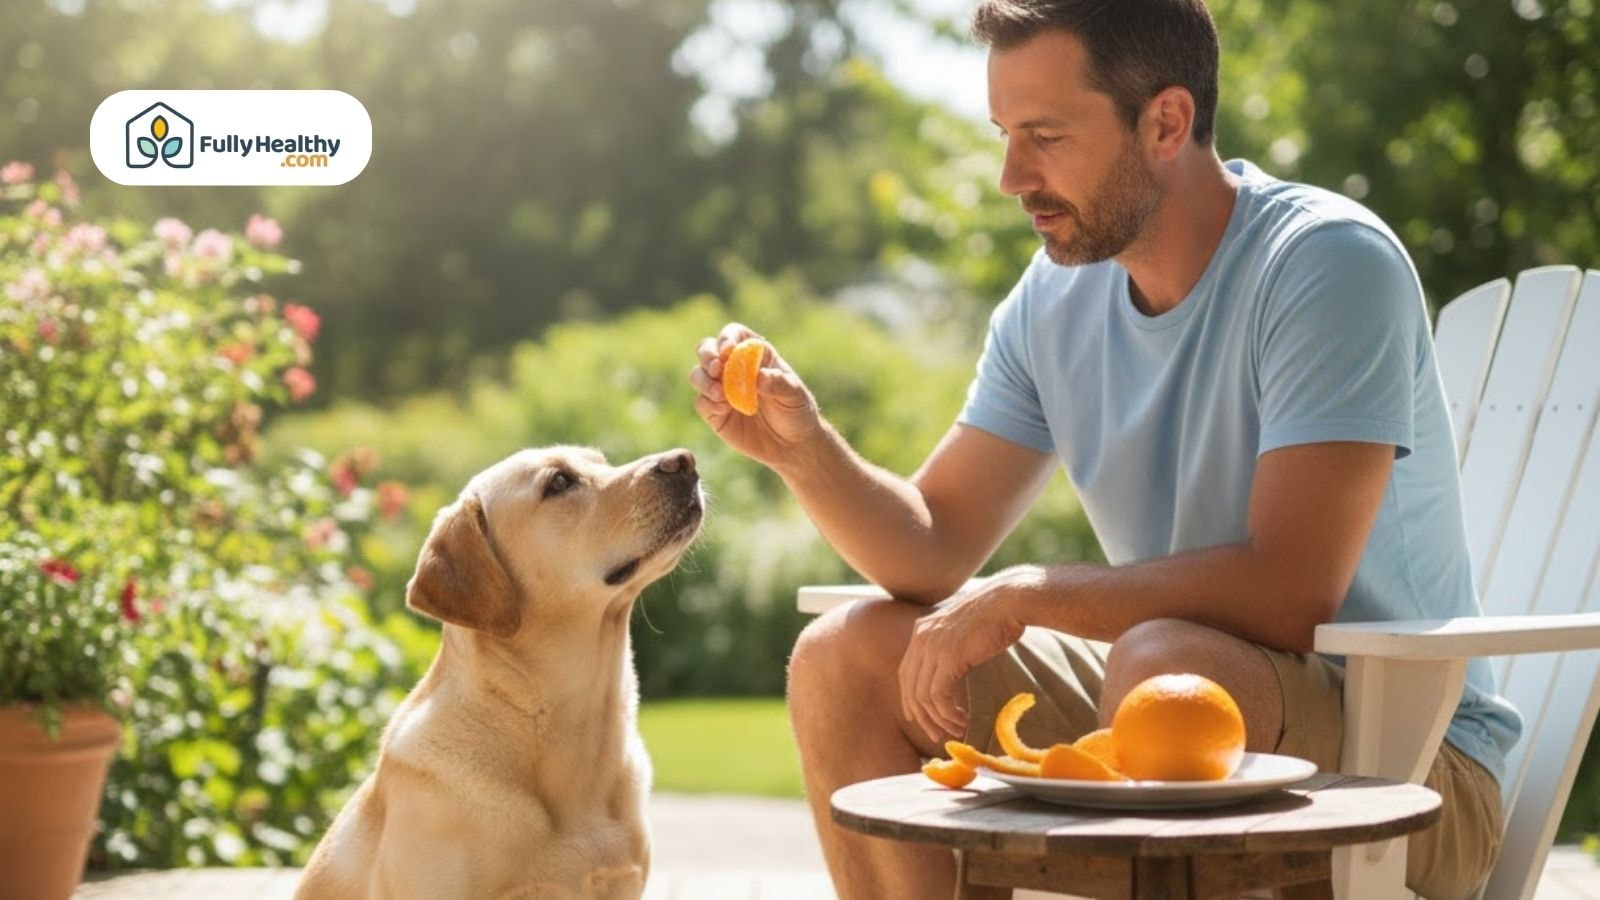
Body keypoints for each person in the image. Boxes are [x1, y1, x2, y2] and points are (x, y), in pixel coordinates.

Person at [688, 0, 1520, 897]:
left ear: (1166, 121)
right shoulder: (1054, 301)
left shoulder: (1324, 264)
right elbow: (930, 545)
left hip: (1406, 761)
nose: (1011, 176)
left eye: (1044, 135)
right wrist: (804, 451)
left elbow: (1292, 591)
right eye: (1005, 134)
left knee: (1166, 664)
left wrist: (1033, 594)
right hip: (1168, 709)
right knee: (843, 658)